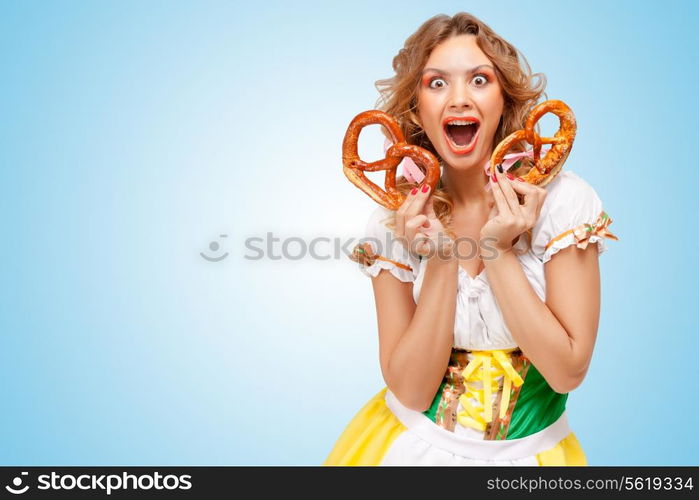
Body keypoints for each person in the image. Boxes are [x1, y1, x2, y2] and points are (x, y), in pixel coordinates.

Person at [324, 12, 618, 466]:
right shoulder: (395, 219)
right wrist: (442, 258)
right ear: (416, 106)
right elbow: (412, 389)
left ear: (504, 98)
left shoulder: (561, 202)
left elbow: (566, 372)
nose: (459, 99)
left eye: (479, 80)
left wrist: (495, 250)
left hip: (532, 458)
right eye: (436, 83)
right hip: (407, 451)